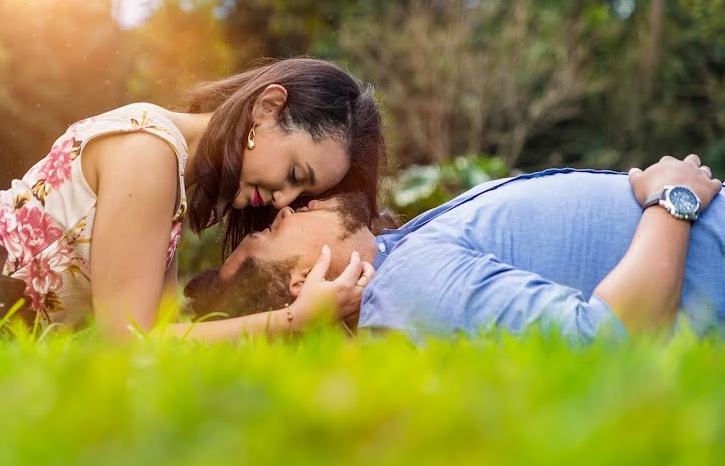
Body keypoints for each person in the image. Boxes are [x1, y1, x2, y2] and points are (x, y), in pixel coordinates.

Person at [0, 58, 382, 340]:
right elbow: (131, 348)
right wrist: (292, 319)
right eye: (294, 172)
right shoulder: (150, 154)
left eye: (304, 192)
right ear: (267, 108)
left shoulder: (170, 168)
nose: (282, 198)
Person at [183, 155, 724, 341]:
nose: (281, 210)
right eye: (272, 234)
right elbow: (606, 340)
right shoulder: (408, 287)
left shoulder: (404, 254)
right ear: (304, 284)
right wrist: (671, 200)